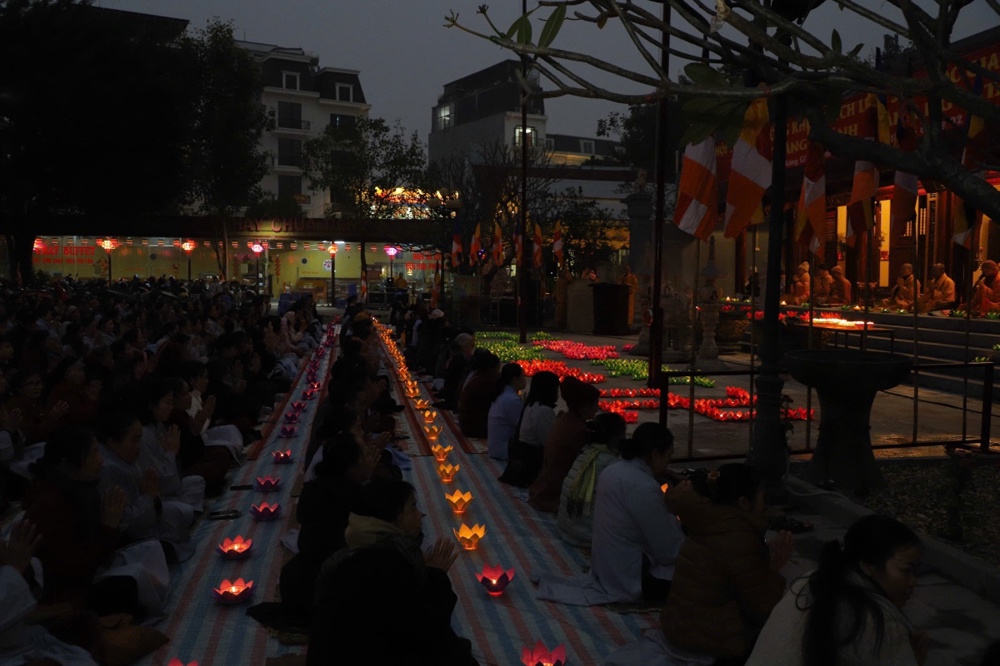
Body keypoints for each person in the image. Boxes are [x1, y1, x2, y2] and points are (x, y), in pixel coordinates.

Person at [309, 479, 478, 666]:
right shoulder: (386, 564)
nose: (420, 515)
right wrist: (437, 576)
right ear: (391, 518)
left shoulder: (355, 549)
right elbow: (424, 630)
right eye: (412, 508)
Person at [746, 514, 925, 666]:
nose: (913, 582)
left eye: (915, 572)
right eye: (906, 570)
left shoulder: (811, 580)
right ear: (869, 564)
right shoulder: (879, 620)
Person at [662, 464, 793, 664]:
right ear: (743, 502)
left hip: (677, 629)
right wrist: (773, 569)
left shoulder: (706, 518)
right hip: (712, 643)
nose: (764, 505)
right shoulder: (738, 537)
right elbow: (762, 609)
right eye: (761, 498)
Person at [591, 422, 683, 603]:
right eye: (668, 456)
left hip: (605, 568)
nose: (668, 464)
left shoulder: (613, 469)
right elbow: (668, 553)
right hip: (630, 579)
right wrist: (673, 513)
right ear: (656, 454)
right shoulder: (643, 486)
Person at [528, 376, 601, 513]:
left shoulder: (563, 419)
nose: (597, 409)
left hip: (544, 484)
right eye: (595, 404)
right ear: (584, 406)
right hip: (555, 491)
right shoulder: (577, 430)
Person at [557, 411, 627, 548]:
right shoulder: (612, 463)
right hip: (588, 536)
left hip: (565, 529)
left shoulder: (586, 452)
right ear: (616, 436)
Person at [498, 371, 559, 488]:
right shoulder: (543, 411)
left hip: (521, 455)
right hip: (530, 463)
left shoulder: (531, 405)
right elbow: (549, 442)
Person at [486, 362, 526, 460]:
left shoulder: (504, 394)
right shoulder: (512, 399)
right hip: (504, 450)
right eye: (523, 376)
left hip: (496, 447)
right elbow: (522, 426)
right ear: (515, 379)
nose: (525, 380)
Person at [457, 349, 501, 439]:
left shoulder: (475, 376)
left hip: (467, 425)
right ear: (491, 369)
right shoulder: (485, 382)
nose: (499, 372)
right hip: (476, 428)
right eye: (498, 369)